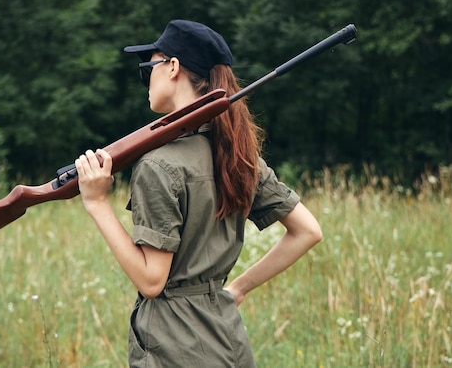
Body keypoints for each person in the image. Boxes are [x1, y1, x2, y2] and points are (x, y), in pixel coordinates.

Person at [74, 19, 322, 367]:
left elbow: (151, 281)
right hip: (228, 340)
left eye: (149, 68)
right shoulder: (240, 157)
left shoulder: (159, 165)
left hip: (173, 349)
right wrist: (237, 288)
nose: (146, 80)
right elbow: (308, 231)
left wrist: (98, 203)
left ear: (172, 67)